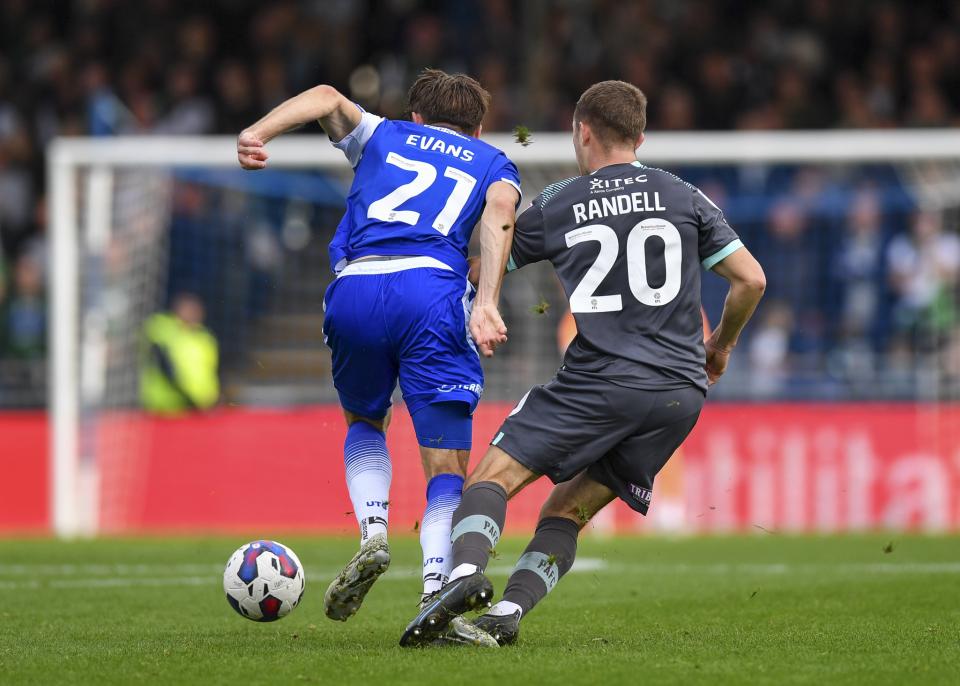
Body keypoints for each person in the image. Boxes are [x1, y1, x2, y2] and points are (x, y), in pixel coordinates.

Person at [401, 80, 766, 647]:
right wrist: (719, 345)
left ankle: (464, 575)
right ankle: (508, 614)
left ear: (583, 131)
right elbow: (751, 280)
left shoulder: (562, 202)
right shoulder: (684, 195)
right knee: (567, 511)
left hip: (602, 380)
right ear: (640, 138)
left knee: (490, 478)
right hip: (679, 394)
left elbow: (488, 260)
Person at [237, 69, 520, 645]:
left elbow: (323, 97)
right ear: (478, 127)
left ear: (417, 117)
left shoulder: (383, 133)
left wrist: (256, 133)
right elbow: (499, 216)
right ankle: (435, 590)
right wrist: (488, 301)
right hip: (430, 292)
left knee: (365, 420)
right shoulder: (493, 161)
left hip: (356, 288)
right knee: (445, 465)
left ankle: (372, 531)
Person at [140, 292, 220, 414]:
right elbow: (163, 363)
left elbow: (209, 373)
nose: (192, 314)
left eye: (195, 310)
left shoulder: (205, 339)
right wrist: (185, 395)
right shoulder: (163, 329)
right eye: (188, 309)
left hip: (198, 408)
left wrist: (210, 398)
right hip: (166, 407)